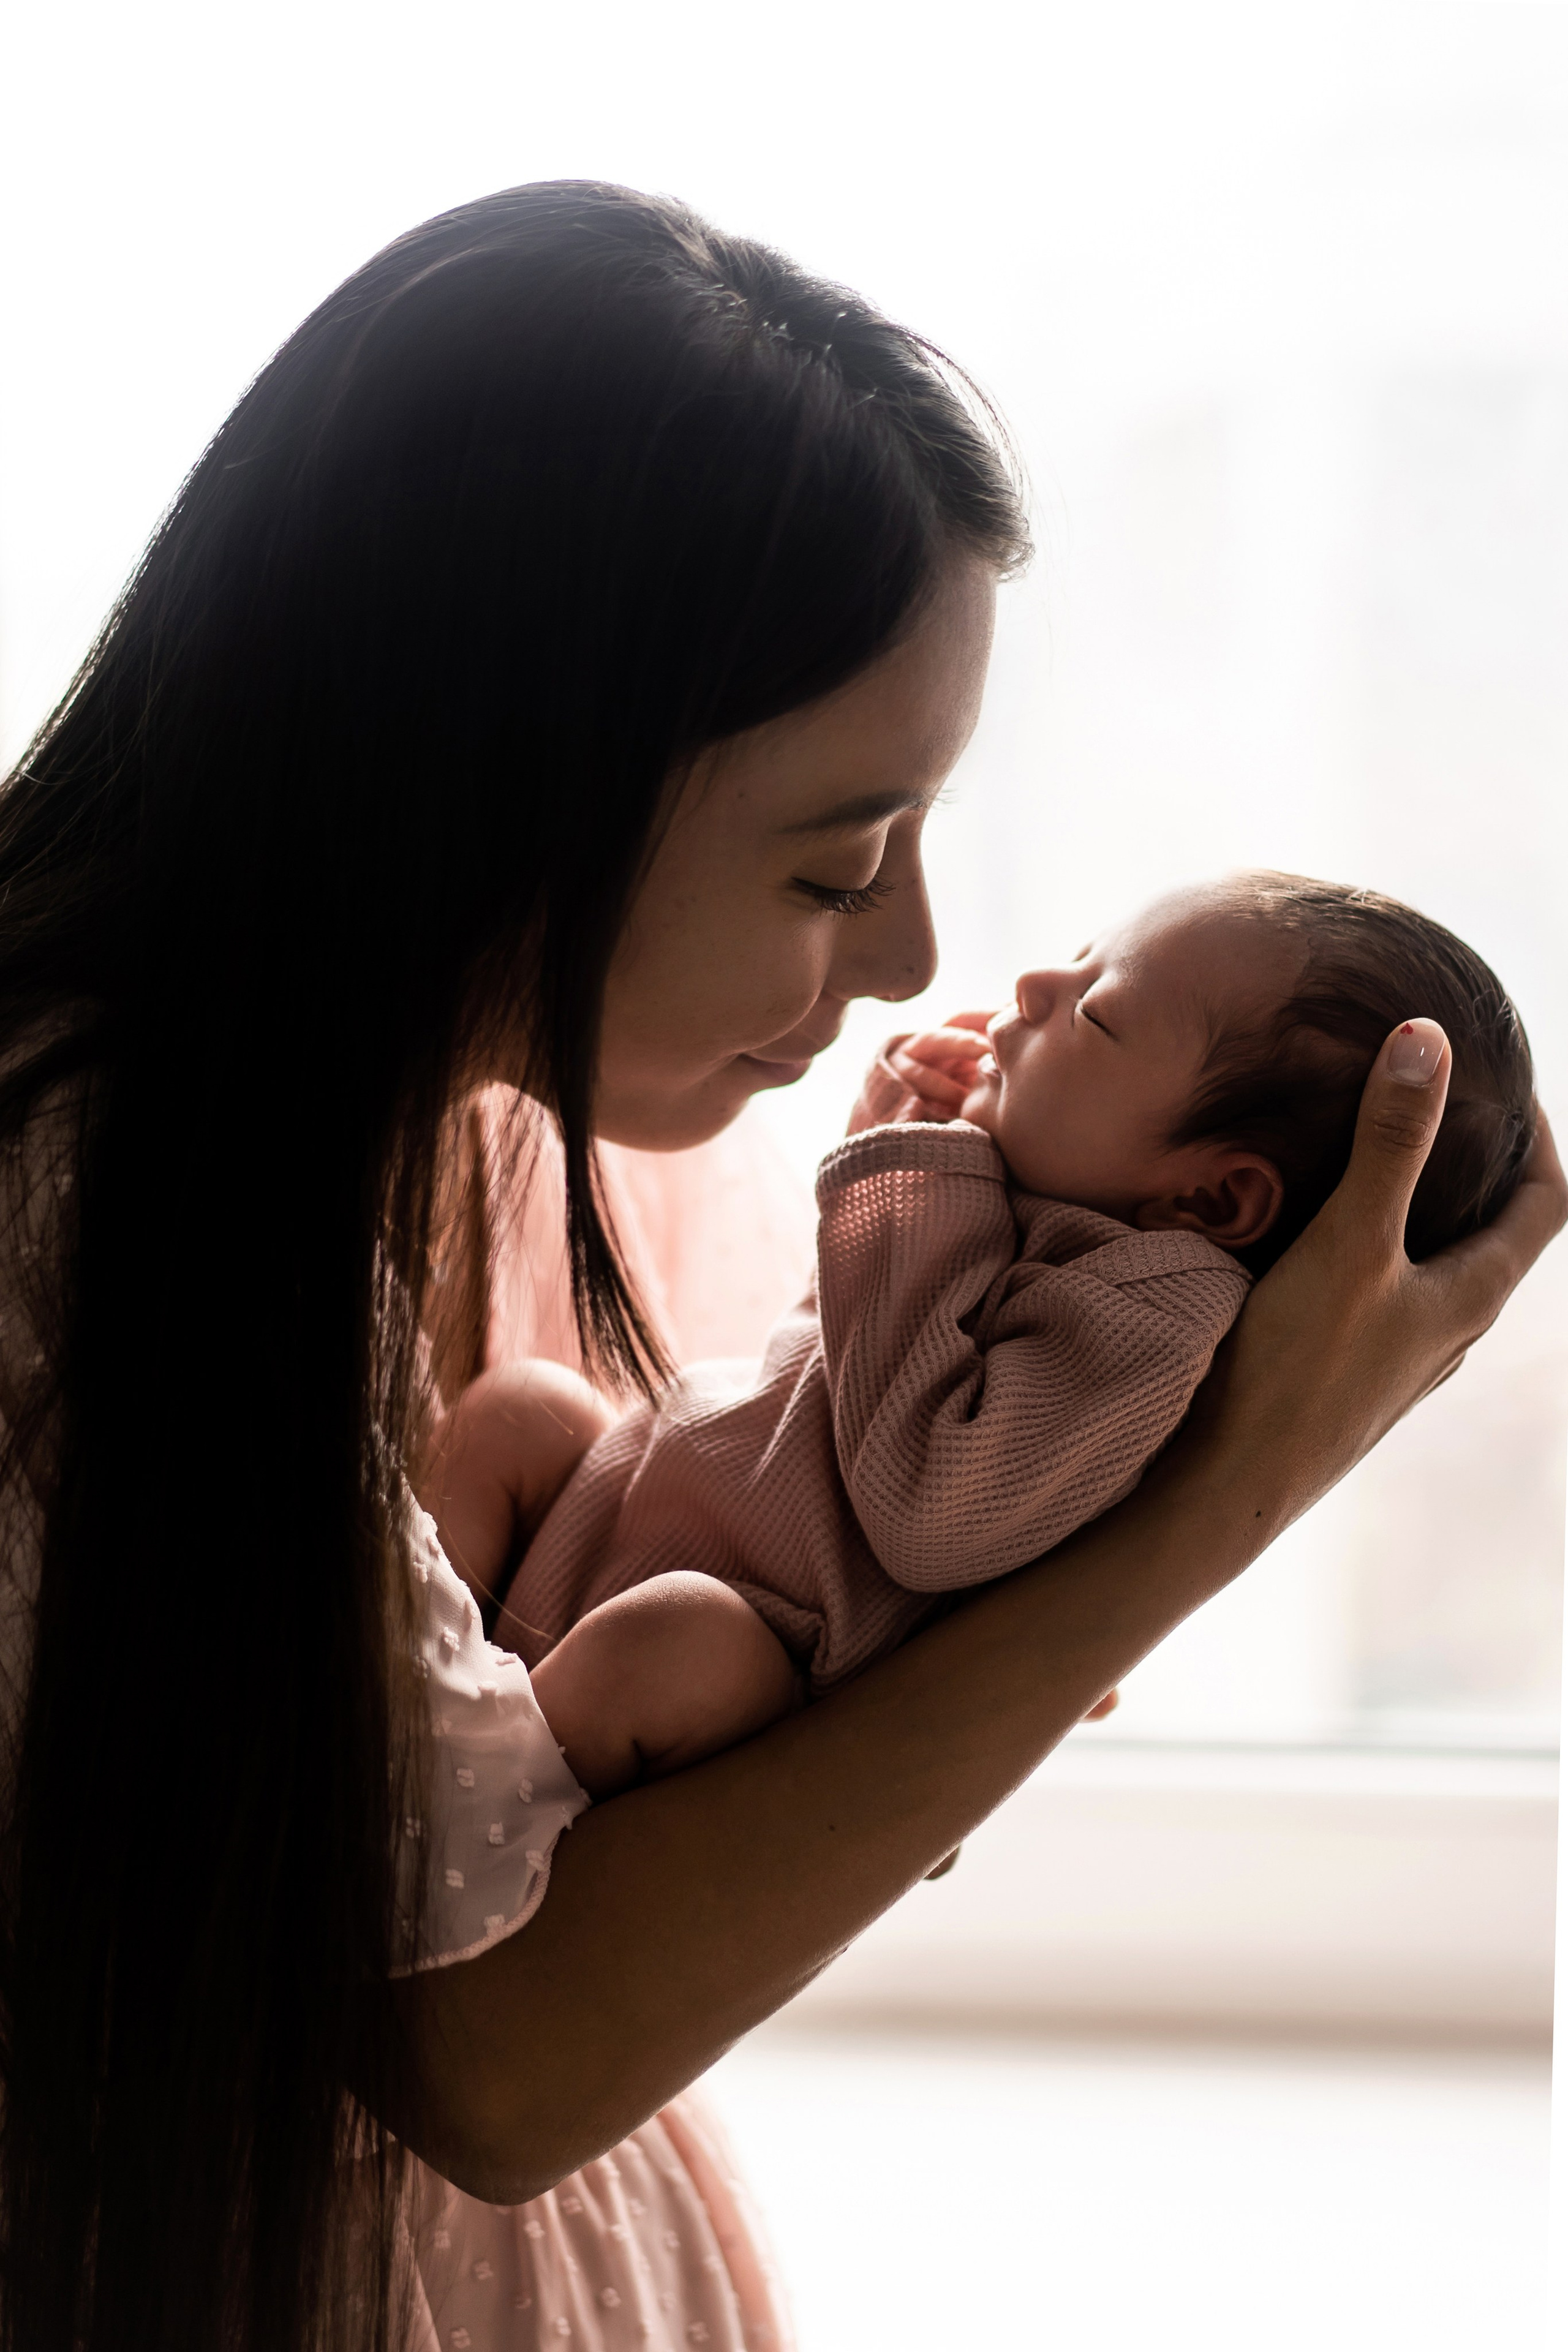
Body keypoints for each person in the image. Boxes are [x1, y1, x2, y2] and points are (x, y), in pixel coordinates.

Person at [0, 182, 1558, 2352]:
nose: (915, 956)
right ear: (504, 781)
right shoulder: (98, 1204)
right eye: (840, 862)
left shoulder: (425, 1130)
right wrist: (1226, 1504)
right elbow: (489, 2056)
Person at [420, 874, 1534, 1798]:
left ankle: (445, 1817)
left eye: (1096, 1013)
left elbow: (933, 1516)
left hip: (736, 1643)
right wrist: (892, 1133)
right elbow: (847, 1343)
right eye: (1079, 958)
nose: (1038, 986)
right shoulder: (1040, 1204)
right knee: (528, 1409)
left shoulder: (1154, 1314)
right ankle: (387, 1697)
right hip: (638, 1526)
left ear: (1209, 1203)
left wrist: (914, 1174)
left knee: (677, 1638)